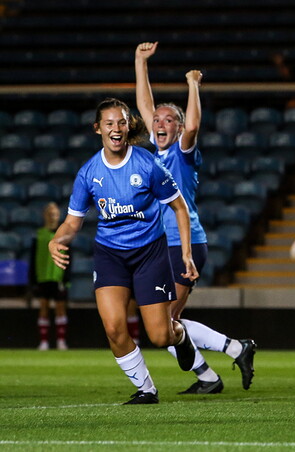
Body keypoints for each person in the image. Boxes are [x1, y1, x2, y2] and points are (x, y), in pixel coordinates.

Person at [48, 97, 199, 404]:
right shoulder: (88, 173)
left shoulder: (147, 164)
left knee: (159, 336)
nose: (116, 128)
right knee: (114, 328)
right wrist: (56, 240)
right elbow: (72, 224)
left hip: (150, 253)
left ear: (128, 126)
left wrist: (185, 253)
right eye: (109, 123)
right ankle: (147, 389)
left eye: (121, 122)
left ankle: (181, 336)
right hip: (110, 255)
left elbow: (180, 207)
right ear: (98, 129)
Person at [135, 42, 256, 393]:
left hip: (184, 244)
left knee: (165, 322)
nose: (160, 122)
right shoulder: (153, 153)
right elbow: (144, 104)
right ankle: (215, 370)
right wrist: (140, 62)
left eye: (168, 119)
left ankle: (230, 353)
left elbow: (193, 127)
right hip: (159, 246)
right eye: (156, 119)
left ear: (177, 126)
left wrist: (193, 85)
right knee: (162, 323)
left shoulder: (182, 152)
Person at [30, 202, 69, 351]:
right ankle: (44, 342)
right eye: (50, 214)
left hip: (58, 277)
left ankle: (61, 341)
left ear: (58, 216)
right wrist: (32, 279)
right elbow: (33, 257)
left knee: (60, 308)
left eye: (55, 214)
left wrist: (67, 278)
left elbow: (69, 256)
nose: (52, 216)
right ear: (45, 216)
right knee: (43, 308)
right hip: (42, 277)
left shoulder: (64, 235)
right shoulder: (39, 235)